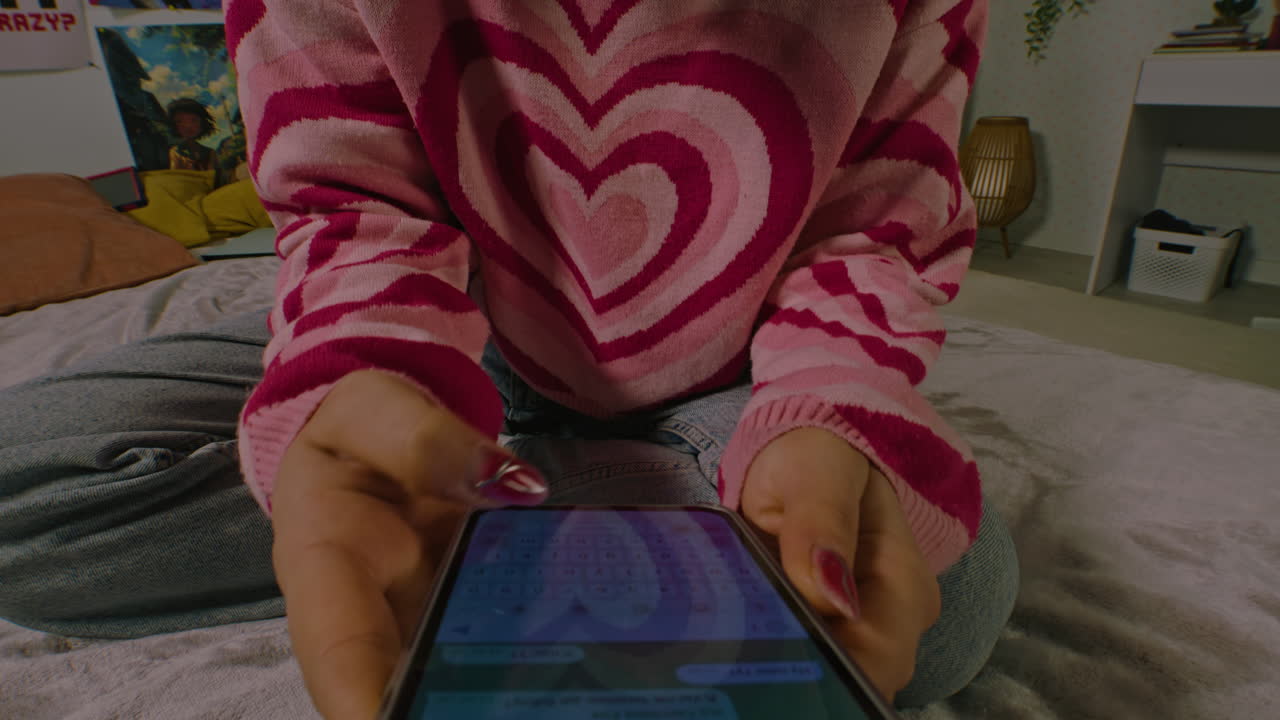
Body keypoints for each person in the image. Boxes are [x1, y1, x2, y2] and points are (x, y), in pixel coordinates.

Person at [0, 1, 1017, 718]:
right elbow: (352, 211)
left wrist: (828, 407)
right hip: (433, 339)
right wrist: (353, 383)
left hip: (745, 367)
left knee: (932, 607)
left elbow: (875, 232)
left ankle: (483, 520)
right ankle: (635, 512)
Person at [165, 97, 216, 172]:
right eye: (180, 121)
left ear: (202, 123)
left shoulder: (210, 153)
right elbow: (175, 175)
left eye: (194, 120)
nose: (188, 126)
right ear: (174, 125)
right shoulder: (176, 153)